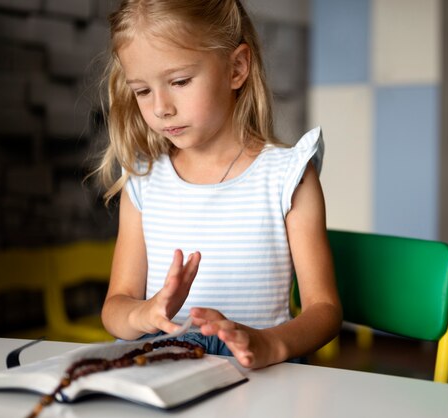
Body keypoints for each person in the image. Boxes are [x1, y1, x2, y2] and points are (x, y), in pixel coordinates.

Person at [96, 0, 342, 369]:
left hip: (259, 379)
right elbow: (116, 306)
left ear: (236, 68)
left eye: (179, 82)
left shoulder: (287, 177)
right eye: (142, 91)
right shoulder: (143, 181)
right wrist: (144, 313)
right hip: (164, 371)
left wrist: (269, 344)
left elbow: (324, 310)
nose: (161, 107)